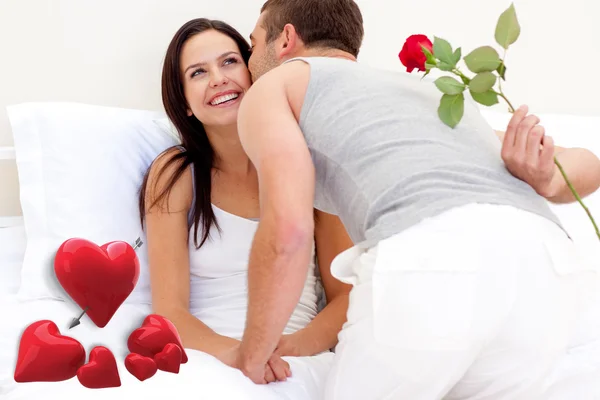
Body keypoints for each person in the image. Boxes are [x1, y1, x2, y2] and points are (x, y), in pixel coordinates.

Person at [226, 0, 600, 399]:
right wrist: (544, 178)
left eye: (253, 44)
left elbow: (289, 230)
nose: (249, 62)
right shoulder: (423, 91)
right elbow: (587, 164)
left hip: (436, 261)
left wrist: (255, 350)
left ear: (285, 40)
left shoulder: (276, 85)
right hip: (548, 272)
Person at [138, 18, 354, 397]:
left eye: (229, 62)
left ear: (253, 72)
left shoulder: (311, 164)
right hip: (209, 358)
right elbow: (170, 312)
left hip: (298, 358)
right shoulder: (174, 175)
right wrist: (240, 354)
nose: (219, 79)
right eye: (198, 72)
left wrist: (288, 347)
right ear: (184, 102)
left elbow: (346, 296)